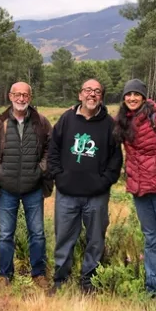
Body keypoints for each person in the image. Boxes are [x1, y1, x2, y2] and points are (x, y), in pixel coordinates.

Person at [113, 79, 156, 311]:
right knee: (150, 240)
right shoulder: (123, 121)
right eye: (128, 94)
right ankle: (152, 287)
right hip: (140, 191)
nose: (132, 98)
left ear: (144, 97)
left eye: (136, 94)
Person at [47, 79, 123, 295]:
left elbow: (116, 159)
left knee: (96, 239)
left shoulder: (109, 124)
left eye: (97, 91)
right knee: (63, 238)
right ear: (80, 94)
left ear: (101, 96)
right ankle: (61, 280)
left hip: (96, 196)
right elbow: (53, 149)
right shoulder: (66, 119)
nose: (92, 95)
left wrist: (104, 181)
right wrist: (58, 176)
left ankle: (88, 281)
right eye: (88, 90)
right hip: (67, 194)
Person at [0, 82, 52, 289]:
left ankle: (38, 273)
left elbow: (51, 149)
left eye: (25, 95)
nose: (21, 99)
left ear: (30, 97)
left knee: (37, 233)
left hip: (33, 189)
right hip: (6, 190)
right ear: (10, 96)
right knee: (5, 234)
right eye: (17, 95)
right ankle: (5, 275)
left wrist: (40, 169)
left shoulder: (41, 122)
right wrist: (0, 172)